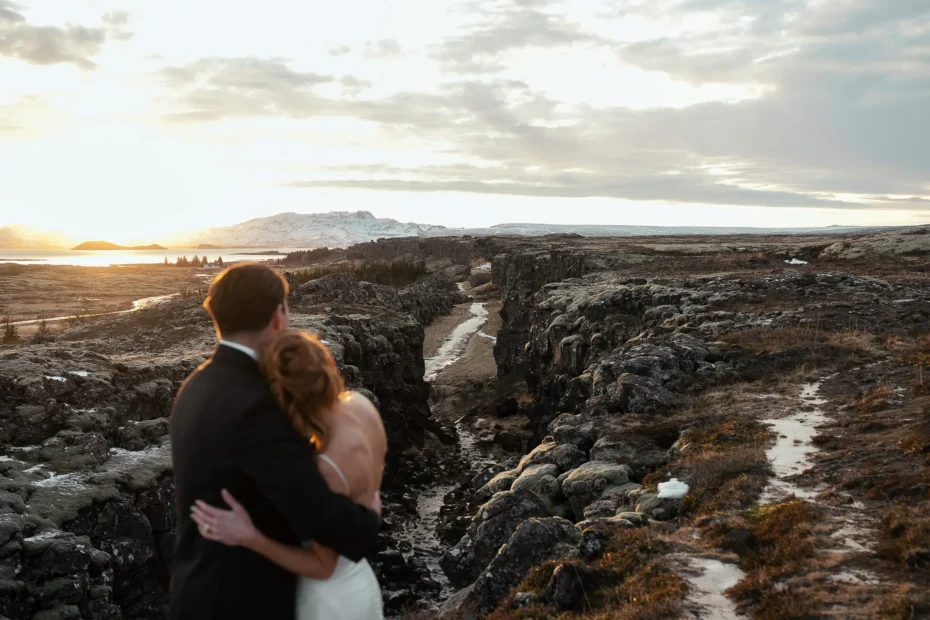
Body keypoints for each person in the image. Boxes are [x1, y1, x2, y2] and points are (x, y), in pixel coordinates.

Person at [169, 263, 381, 620]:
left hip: (196, 589)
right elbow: (314, 512)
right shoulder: (258, 404)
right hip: (243, 599)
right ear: (278, 316)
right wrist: (368, 519)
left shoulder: (195, 385)